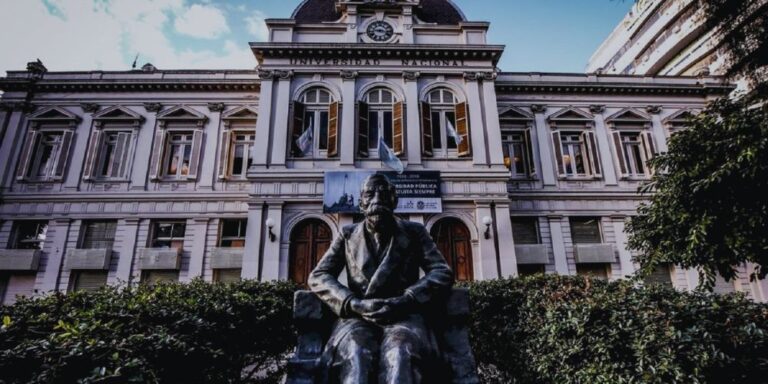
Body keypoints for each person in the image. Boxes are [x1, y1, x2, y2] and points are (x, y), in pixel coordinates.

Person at [308, 174, 454, 384]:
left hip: (403, 316)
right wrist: (352, 303)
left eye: (384, 194)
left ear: (394, 201)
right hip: (358, 317)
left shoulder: (414, 232)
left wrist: (408, 298)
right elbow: (318, 275)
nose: (377, 200)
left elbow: (441, 271)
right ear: (361, 203)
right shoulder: (347, 234)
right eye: (370, 194)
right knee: (357, 354)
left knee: (401, 354)